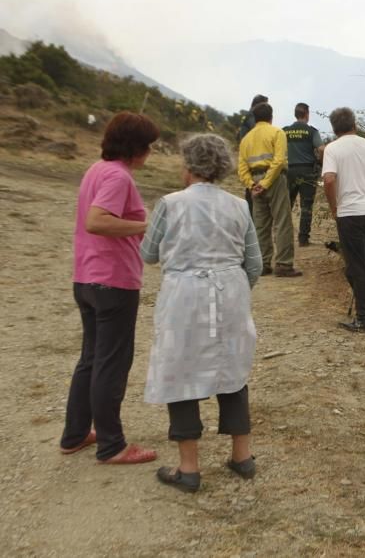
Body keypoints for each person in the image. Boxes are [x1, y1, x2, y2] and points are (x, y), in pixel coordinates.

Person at [141, 133, 261, 493]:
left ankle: (189, 468)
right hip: (231, 290)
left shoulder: (170, 203)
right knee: (232, 368)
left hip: (185, 294)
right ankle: (242, 457)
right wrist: (234, 287)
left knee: (181, 370)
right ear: (222, 167)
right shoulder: (239, 205)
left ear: (188, 166)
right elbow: (253, 262)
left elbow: (148, 253)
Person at [60, 112, 160, 465]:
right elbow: (97, 220)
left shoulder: (95, 170)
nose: (150, 152)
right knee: (111, 363)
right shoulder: (119, 177)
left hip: (86, 278)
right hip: (113, 281)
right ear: (135, 147)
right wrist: (143, 225)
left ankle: (74, 435)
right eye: (147, 146)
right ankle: (112, 445)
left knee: (90, 359)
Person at [322, 107, 365, 331]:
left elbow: (330, 180)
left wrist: (334, 208)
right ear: (354, 124)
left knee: (357, 265)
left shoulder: (332, 149)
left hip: (350, 213)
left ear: (334, 128)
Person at [237, 102, 302, 277]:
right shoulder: (277, 133)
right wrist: (266, 183)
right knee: (282, 222)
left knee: (261, 225)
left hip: (255, 183)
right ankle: (283, 264)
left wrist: (252, 185)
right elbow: (279, 161)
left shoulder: (246, 139)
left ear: (254, 118)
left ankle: (263, 264)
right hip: (274, 180)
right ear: (271, 117)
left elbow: (242, 168)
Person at [283, 102, 324, 246]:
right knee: (306, 206)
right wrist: (320, 162)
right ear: (307, 114)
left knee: (287, 205)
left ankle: (284, 237)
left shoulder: (285, 131)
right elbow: (321, 149)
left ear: (295, 114)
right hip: (307, 172)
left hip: (290, 171)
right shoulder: (312, 131)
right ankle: (303, 239)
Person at [236, 94, 269, 216]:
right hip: (251, 154)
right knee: (251, 185)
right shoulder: (251, 116)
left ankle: (251, 214)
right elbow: (258, 130)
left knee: (250, 184)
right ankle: (251, 216)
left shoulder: (246, 115)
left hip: (246, 152)